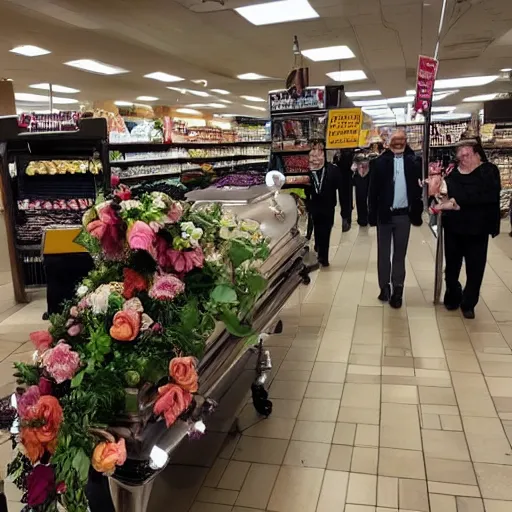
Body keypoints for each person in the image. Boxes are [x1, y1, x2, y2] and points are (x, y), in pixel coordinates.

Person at [441, 140, 501, 319]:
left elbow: (488, 196)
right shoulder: (453, 172)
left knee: (475, 267)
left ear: (477, 154)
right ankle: (453, 293)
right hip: (453, 227)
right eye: (459, 156)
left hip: (477, 228)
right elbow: (446, 192)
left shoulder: (488, 171)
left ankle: (469, 302)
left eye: (466, 155)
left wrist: (458, 200)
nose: (462, 159)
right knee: (451, 265)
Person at [369, 130, 423, 308]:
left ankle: (398, 289)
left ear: (406, 141)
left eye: (402, 140)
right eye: (395, 140)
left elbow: (419, 189)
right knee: (383, 254)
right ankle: (384, 287)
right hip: (384, 215)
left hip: (404, 215)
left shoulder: (415, 162)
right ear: (388, 142)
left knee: (400, 254)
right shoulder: (378, 163)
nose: (399, 143)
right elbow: (373, 192)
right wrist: (371, 216)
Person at [308, 143, 352, 267]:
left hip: (329, 206)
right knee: (317, 228)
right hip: (314, 205)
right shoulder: (308, 171)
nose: (316, 156)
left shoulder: (333, 170)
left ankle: (324, 256)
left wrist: (346, 212)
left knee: (326, 230)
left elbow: (342, 191)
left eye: (319, 152)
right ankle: (318, 247)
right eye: (313, 153)